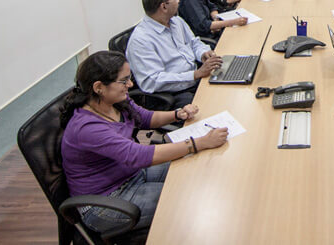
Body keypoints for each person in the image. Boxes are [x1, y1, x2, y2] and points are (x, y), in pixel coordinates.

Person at [61, 51, 229, 235]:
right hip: (107, 202)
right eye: (123, 81)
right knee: (187, 197)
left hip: (130, 174)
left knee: (193, 170)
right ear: (99, 87)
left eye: (129, 78)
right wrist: (199, 143)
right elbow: (138, 156)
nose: (130, 85)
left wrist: (177, 114)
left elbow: (147, 117)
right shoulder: (87, 127)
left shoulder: (114, 102)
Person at [126, 0, 222, 107]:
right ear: (164, 6)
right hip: (175, 94)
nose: (179, 1)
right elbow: (152, 81)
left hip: (196, 77)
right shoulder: (141, 40)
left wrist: (203, 53)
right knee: (214, 106)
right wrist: (195, 75)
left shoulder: (176, 21)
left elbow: (194, 43)